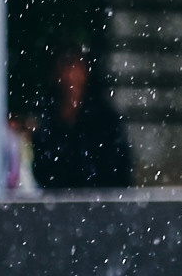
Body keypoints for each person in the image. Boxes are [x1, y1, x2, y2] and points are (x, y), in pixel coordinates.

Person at [32, 43, 135, 190]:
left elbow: (117, 168)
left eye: (76, 66)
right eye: (66, 66)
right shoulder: (47, 119)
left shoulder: (104, 119)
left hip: (99, 201)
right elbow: (43, 169)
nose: (71, 75)